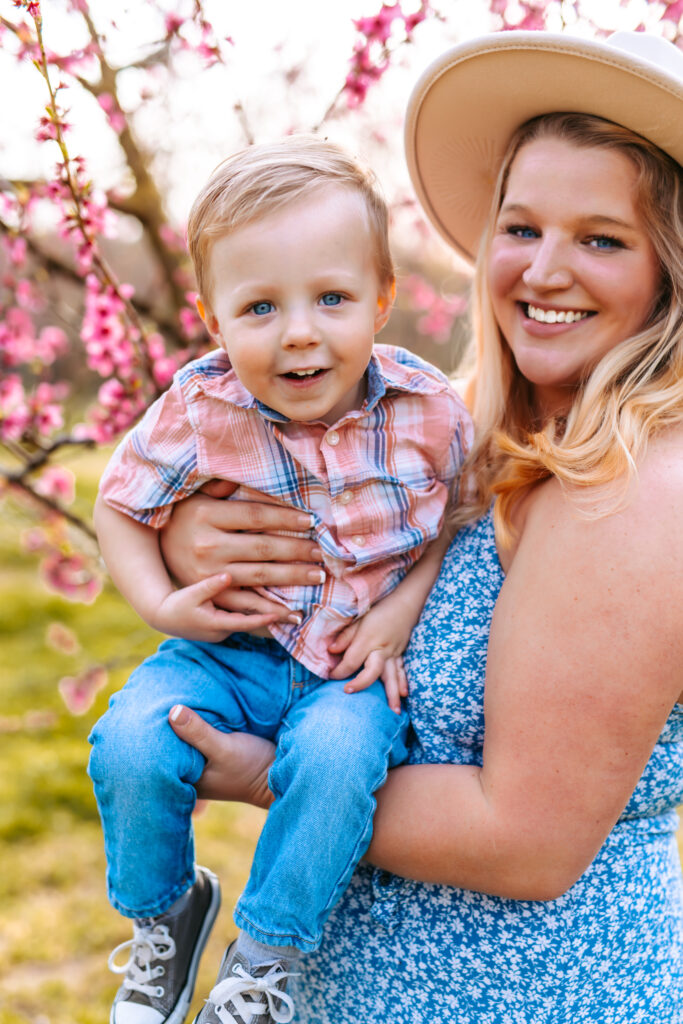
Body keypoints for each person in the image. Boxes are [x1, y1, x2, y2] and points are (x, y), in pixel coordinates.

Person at [160, 30, 683, 1023]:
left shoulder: (639, 490)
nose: (543, 270)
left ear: (672, 269)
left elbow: (524, 836)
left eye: (602, 239)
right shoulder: (462, 428)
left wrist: (260, 770)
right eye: (521, 227)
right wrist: (197, 546)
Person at [88, 136, 472, 1024]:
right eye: (259, 306)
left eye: (331, 298)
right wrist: (159, 601)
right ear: (213, 320)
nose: (299, 331)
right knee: (135, 745)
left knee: (339, 762)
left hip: (348, 664)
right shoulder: (199, 407)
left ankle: (266, 955)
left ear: (380, 299)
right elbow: (119, 504)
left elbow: (465, 521)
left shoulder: (428, 413)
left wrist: (400, 608)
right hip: (226, 653)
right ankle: (166, 914)